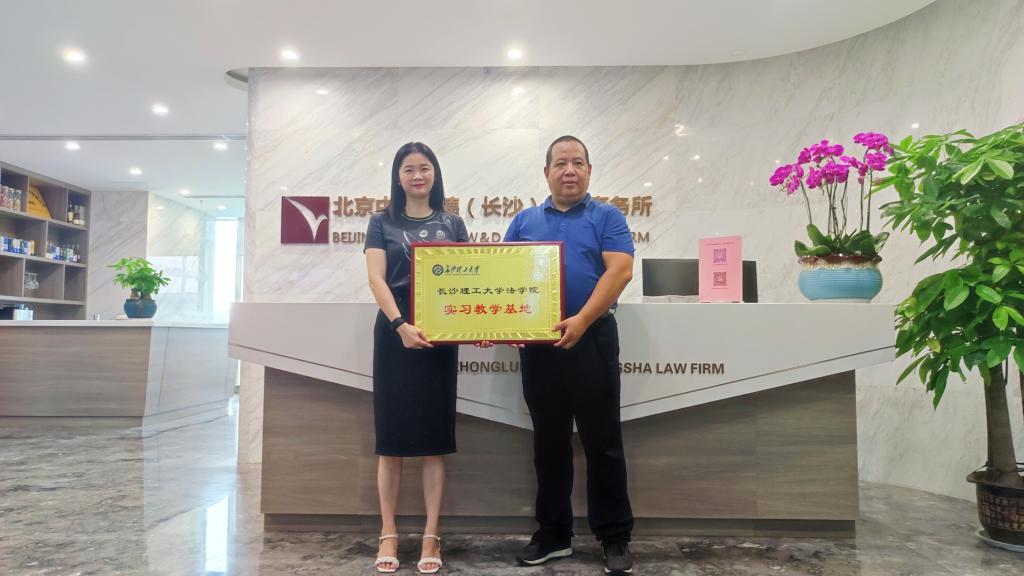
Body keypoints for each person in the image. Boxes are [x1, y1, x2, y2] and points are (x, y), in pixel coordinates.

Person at [504, 135, 636, 576]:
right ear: (546, 173)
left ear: (589, 170)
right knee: (549, 443)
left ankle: (614, 537)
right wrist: (502, 325)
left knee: (603, 442)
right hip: (539, 346)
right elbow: (503, 280)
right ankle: (553, 535)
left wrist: (581, 320)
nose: (569, 171)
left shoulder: (607, 216)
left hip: (592, 339)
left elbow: (620, 271)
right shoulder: (524, 221)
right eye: (561, 163)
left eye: (578, 162)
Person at [364, 142, 475, 574]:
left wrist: (476, 327)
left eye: (424, 168)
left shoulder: (452, 222)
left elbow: (470, 278)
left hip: (439, 338)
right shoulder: (381, 222)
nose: (417, 175)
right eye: (408, 169)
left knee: (433, 441)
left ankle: (431, 534)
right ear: (398, 176)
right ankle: (388, 532)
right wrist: (400, 325)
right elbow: (376, 279)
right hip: (395, 335)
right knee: (390, 441)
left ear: (435, 174)